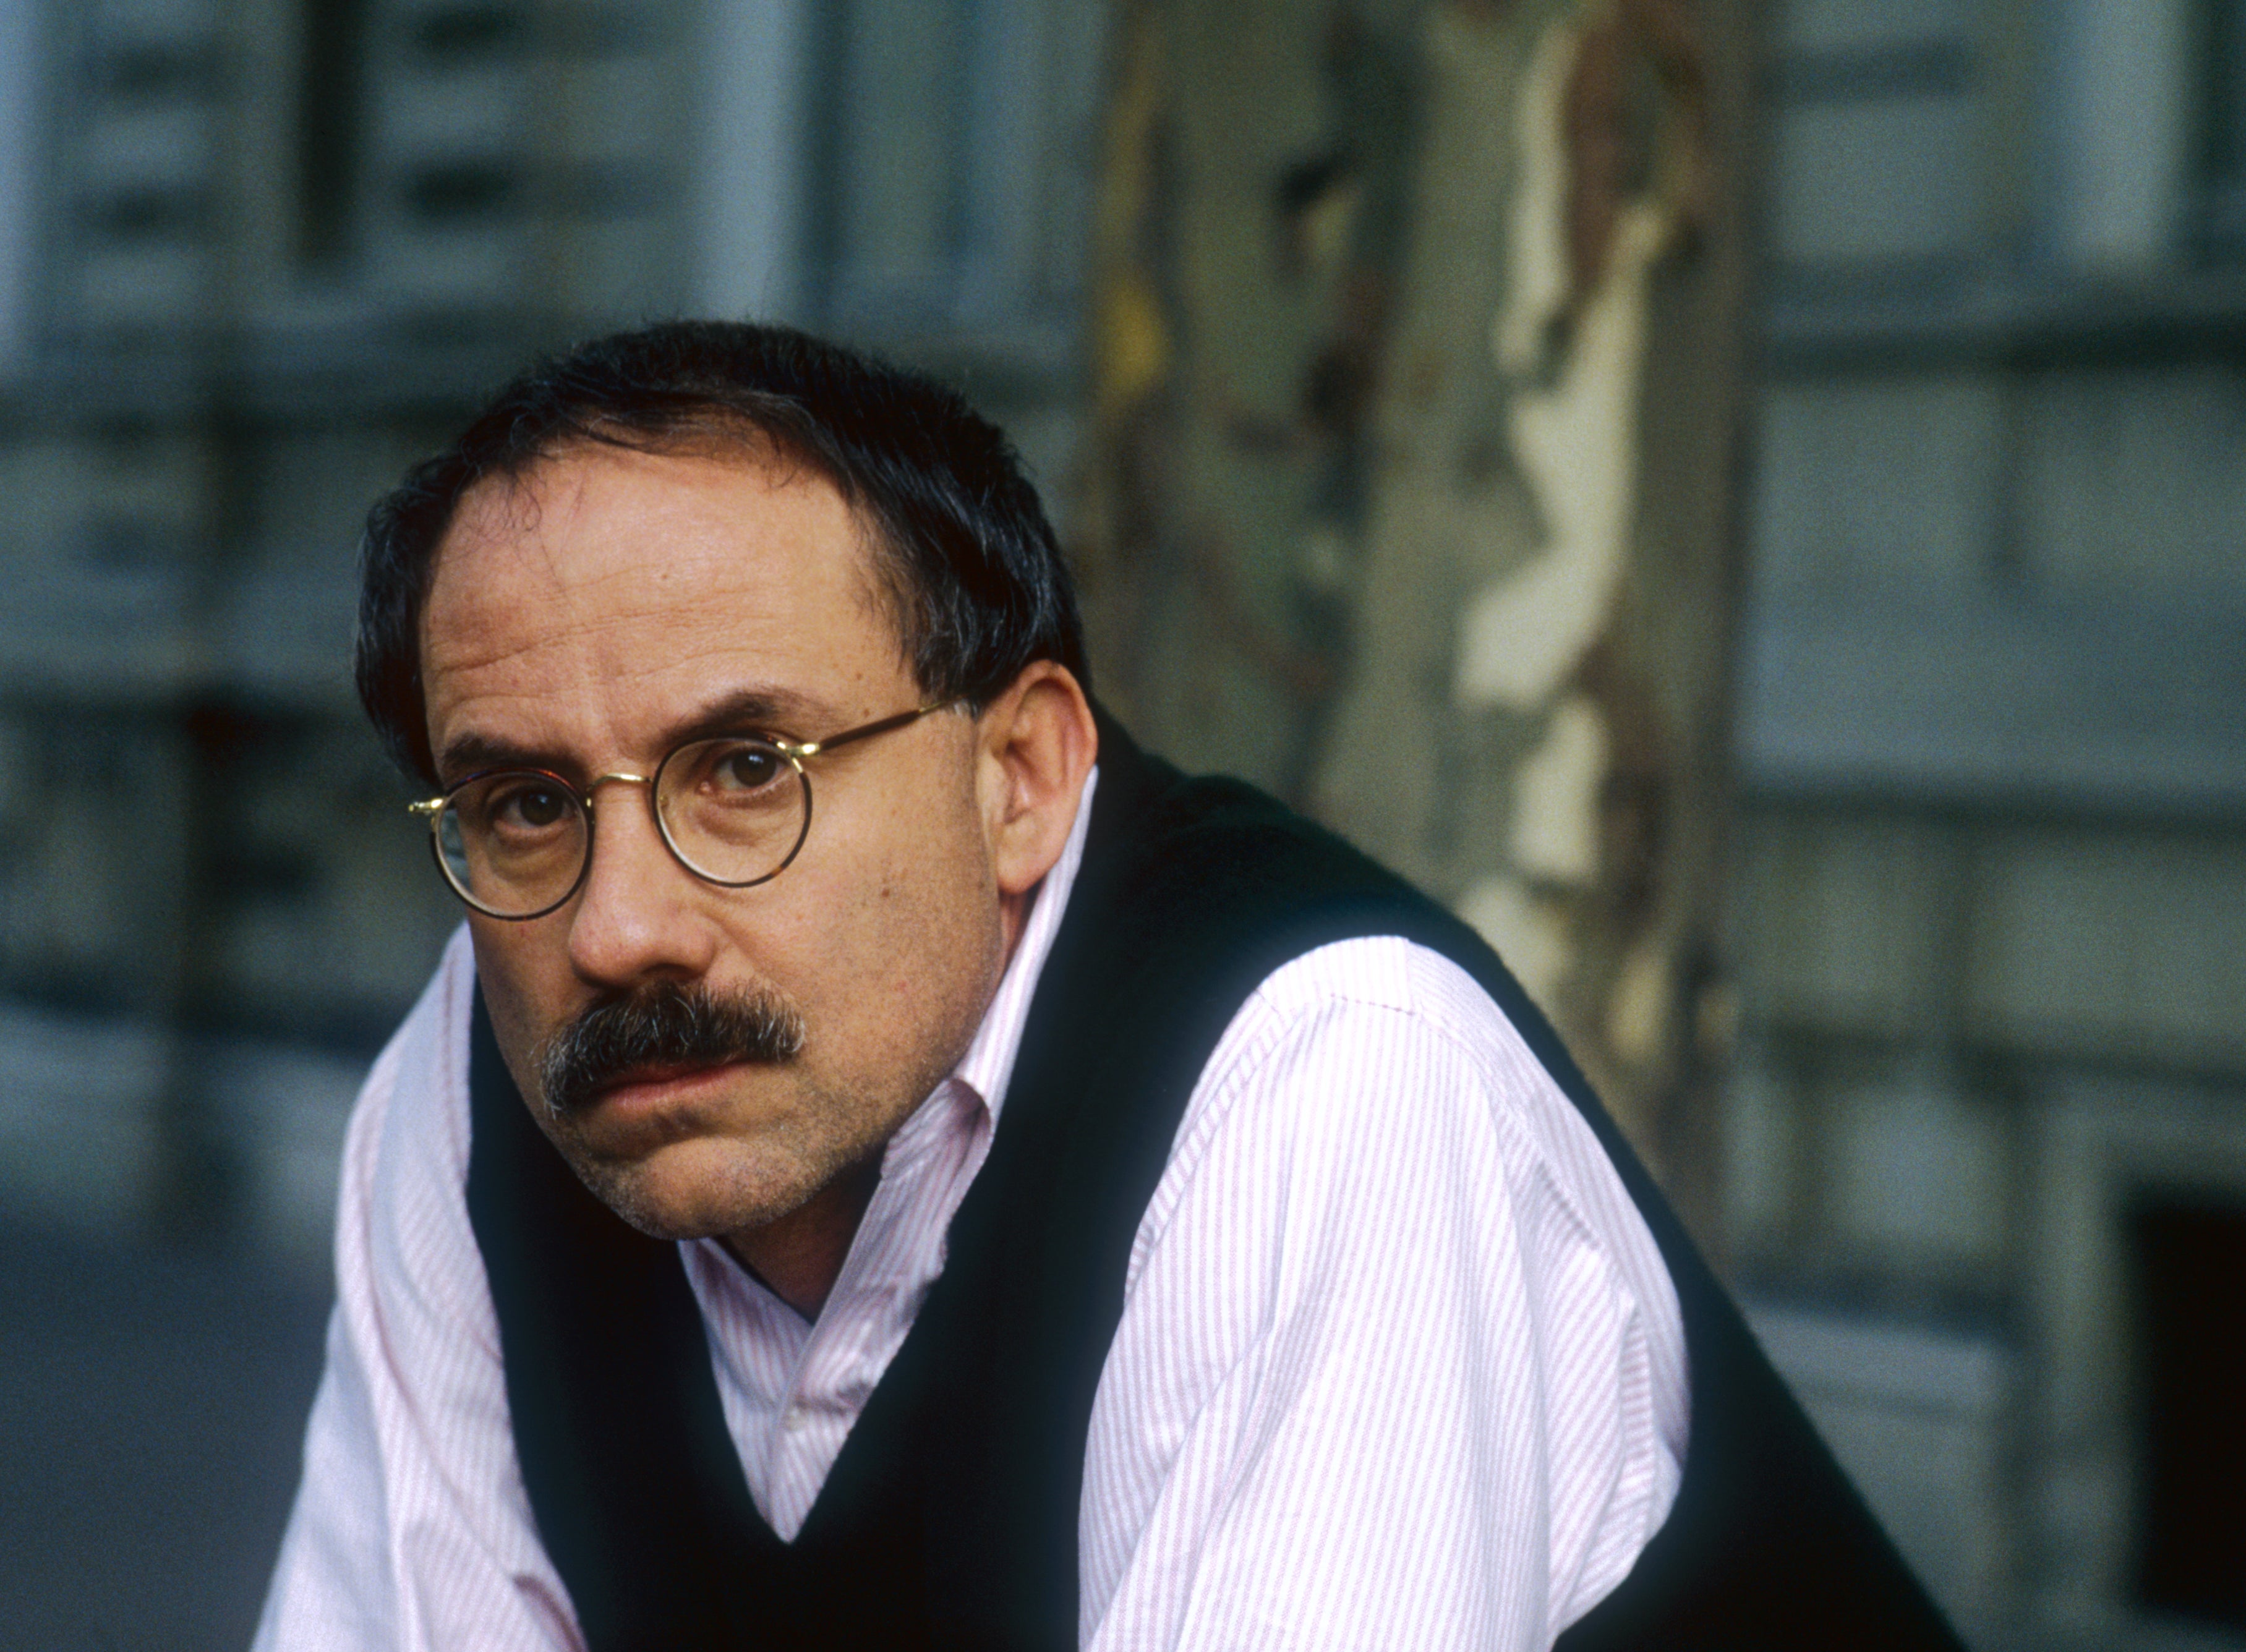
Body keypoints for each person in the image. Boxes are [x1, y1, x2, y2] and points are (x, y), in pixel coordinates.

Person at [254, 321, 1955, 1651]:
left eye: (747, 766)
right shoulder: (487, 1074)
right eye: (528, 803)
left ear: (1023, 777)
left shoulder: (1323, 1073)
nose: (621, 926)